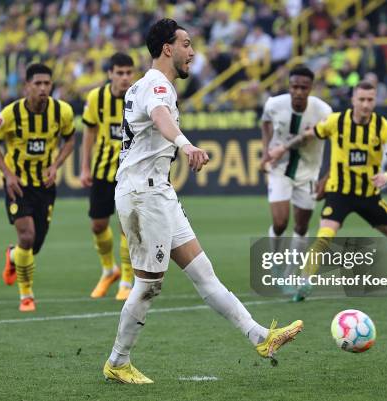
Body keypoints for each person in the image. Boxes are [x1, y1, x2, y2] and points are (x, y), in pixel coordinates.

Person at [103, 18, 303, 385]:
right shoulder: (158, 87)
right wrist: (187, 145)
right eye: (186, 44)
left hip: (157, 192)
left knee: (204, 274)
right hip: (144, 195)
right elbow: (162, 117)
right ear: (168, 48)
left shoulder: (143, 86)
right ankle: (118, 361)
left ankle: (262, 338)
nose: (192, 52)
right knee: (148, 285)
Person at [269, 80, 387, 301]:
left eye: (370, 100)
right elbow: (307, 136)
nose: (366, 105)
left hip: (369, 195)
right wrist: (283, 147)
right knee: (324, 237)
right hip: (339, 194)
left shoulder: (383, 127)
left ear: (375, 100)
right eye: (362, 100)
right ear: (353, 100)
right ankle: (303, 284)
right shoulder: (336, 122)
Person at [0, 63, 76, 312]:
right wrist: (8, 175)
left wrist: (56, 165)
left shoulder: (62, 112)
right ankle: (26, 296)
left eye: (47, 83)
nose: (43, 88)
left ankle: (13, 255)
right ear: (27, 86)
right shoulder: (11, 114)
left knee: (33, 246)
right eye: (37, 83)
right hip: (19, 185)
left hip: (45, 186)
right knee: (26, 235)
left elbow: (70, 139)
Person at [260, 66, 332, 284]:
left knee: (301, 226)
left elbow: (337, 143)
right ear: (289, 87)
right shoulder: (274, 104)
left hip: (309, 172)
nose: (299, 91)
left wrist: (327, 176)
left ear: (311, 89)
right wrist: (265, 152)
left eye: (304, 87)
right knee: (280, 222)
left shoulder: (324, 111)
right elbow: (265, 123)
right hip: (279, 170)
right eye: (295, 87)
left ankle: (291, 274)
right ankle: (275, 262)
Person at [80, 53, 135, 301]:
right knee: (98, 224)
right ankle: (108, 270)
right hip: (102, 170)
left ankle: (126, 279)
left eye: (128, 73)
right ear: (110, 73)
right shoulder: (96, 97)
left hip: (130, 171)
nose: (124, 78)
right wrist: (84, 168)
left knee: (126, 226)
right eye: (120, 73)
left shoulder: (139, 95)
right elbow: (89, 133)